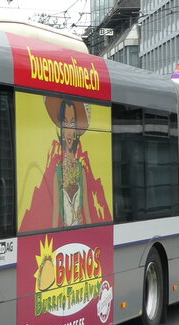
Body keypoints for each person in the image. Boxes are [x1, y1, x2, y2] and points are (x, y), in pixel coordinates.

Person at [20, 96, 111, 231]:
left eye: (73, 123)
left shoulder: (82, 171)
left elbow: (87, 212)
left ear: (76, 130)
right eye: (65, 123)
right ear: (61, 129)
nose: (69, 130)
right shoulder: (56, 171)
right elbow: (55, 214)